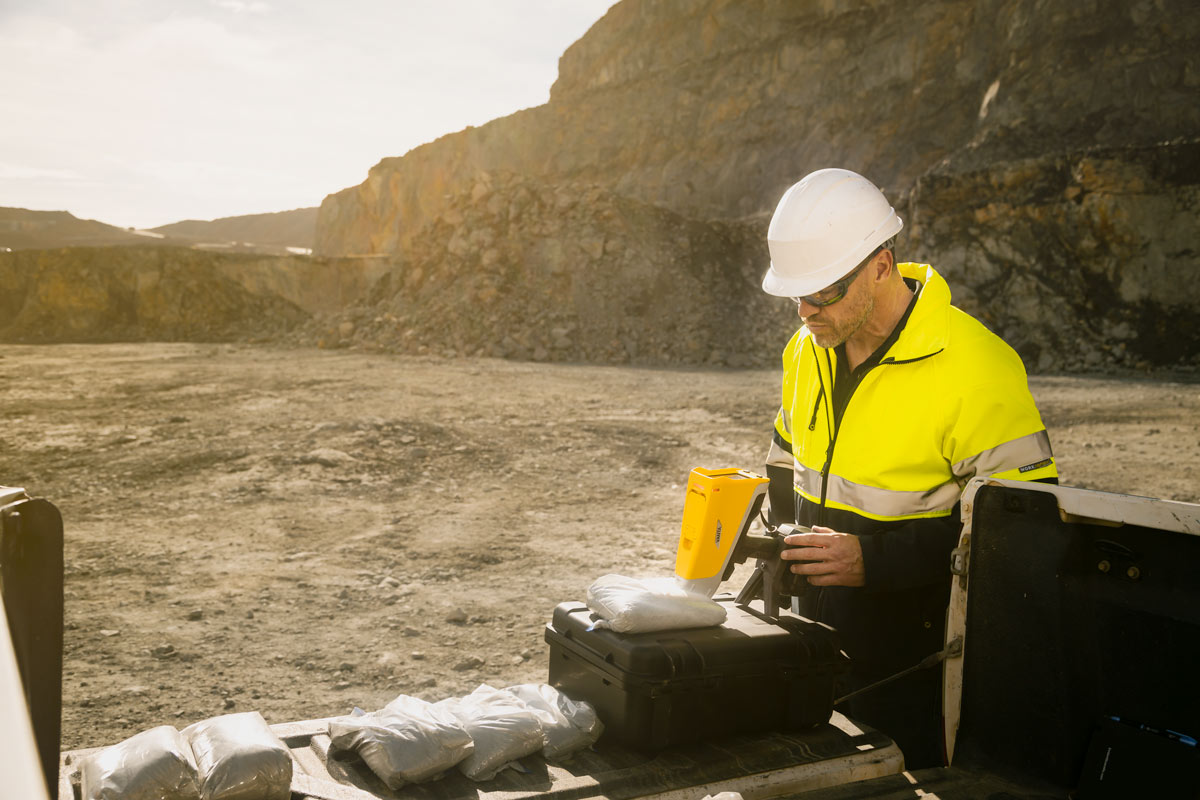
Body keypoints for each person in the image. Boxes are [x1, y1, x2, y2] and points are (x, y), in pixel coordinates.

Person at [760, 168, 1057, 769]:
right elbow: (785, 461)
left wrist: (874, 561)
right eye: (797, 296)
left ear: (881, 265)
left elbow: (1026, 539)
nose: (806, 311)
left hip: (916, 666)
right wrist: (777, 536)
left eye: (824, 292)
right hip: (813, 644)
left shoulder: (977, 369)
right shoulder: (806, 350)